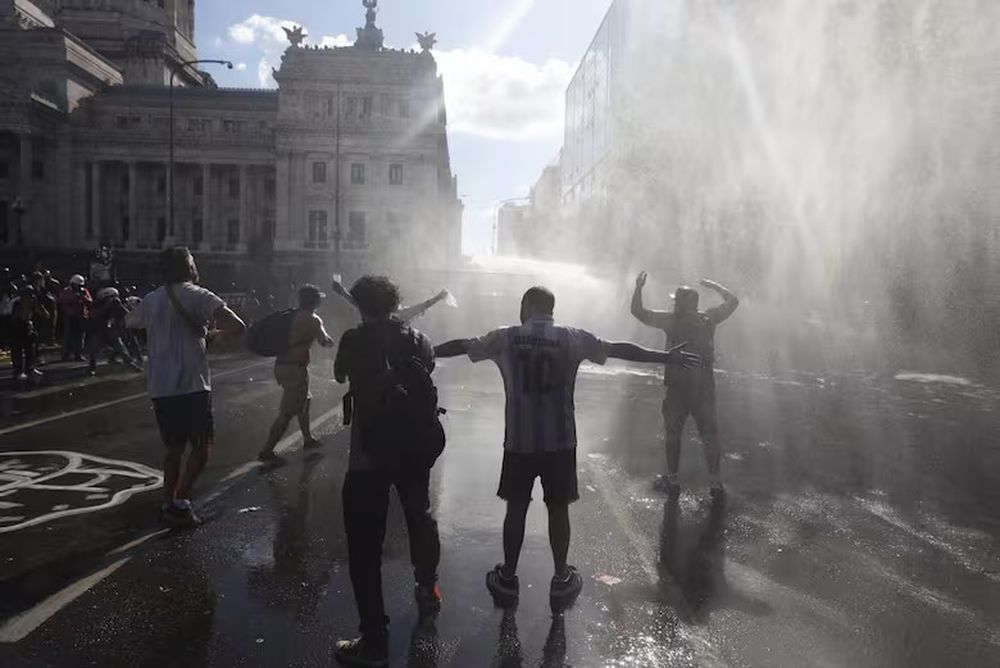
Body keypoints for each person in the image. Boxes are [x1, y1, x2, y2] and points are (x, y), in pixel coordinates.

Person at [433, 287, 700, 610]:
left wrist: (424, 350)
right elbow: (617, 349)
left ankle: (508, 577)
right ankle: (561, 579)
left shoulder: (506, 337)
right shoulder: (573, 338)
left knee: (516, 507)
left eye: (521, 303)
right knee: (558, 509)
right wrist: (665, 356)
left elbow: (463, 346)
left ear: (528, 304)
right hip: (560, 442)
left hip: (519, 442)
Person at [332, 275, 442, 668]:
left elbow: (339, 375)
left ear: (360, 305)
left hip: (368, 454)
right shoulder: (419, 339)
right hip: (414, 449)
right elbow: (427, 368)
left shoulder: (352, 339)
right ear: (396, 302)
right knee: (419, 516)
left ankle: (374, 640)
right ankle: (428, 587)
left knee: (365, 549)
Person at [126, 247, 246, 528]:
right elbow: (237, 326)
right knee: (202, 448)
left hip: (161, 388)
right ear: (185, 268)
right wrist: (217, 335)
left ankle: (168, 502)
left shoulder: (152, 299)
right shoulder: (199, 295)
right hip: (192, 386)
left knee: (173, 449)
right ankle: (179, 503)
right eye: (193, 263)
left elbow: (131, 321)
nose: (196, 267)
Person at [631, 272, 739, 497]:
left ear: (679, 304)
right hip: (705, 388)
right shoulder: (709, 319)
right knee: (709, 434)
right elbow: (733, 301)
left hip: (678, 388)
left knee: (673, 433)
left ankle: (672, 479)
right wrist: (714, 284)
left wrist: (639, 288)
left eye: (675, 302)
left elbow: (637, 312)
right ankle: (715, 482)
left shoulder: (671, 320)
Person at [257, 284, 334, 463]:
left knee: (305, 401)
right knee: (287, 413)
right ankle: (267, 451)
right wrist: (329, 341)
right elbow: (325, 341)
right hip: (295, 369)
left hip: (282, 366)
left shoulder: (290, 315)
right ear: (315, 301)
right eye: (319, 298)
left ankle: (307, 439)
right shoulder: (314, 319)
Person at [331, 275, 451, 323]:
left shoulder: (372, 314)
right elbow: (423, 306)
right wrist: (439, 297)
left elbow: (355, 302)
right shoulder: (400, 316)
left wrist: (341, 291)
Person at [87, 286, 142, 375]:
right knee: (94, 349)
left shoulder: (115, 305)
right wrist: (106, 306)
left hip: (110, 329)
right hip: (98, 329)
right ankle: (91, 368)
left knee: (121, 348)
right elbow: (94, 314)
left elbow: (126, 313)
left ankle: (130, 364)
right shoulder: (97, 304)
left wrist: (119, 306)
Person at [10, 285, 47, 383]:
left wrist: (37, 305)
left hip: (29, 327)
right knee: (17, 350)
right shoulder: (17, 303)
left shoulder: (33, 302)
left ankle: (30, 369)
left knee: (31, 349)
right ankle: (18, 371)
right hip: (17, 328)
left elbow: (44, 314)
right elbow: (17, 317)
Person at [59, 275, 92, 361]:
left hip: (81, 316)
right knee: (68, 336)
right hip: (70, 316)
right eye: (77, 285)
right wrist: (73, 297)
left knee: (80, 336)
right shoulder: (67, 291)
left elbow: (90, 301)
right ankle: (66, 354)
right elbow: (62, 301)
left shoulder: (84, 291)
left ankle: (78, 354)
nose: (79, 287)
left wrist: (83, 297)